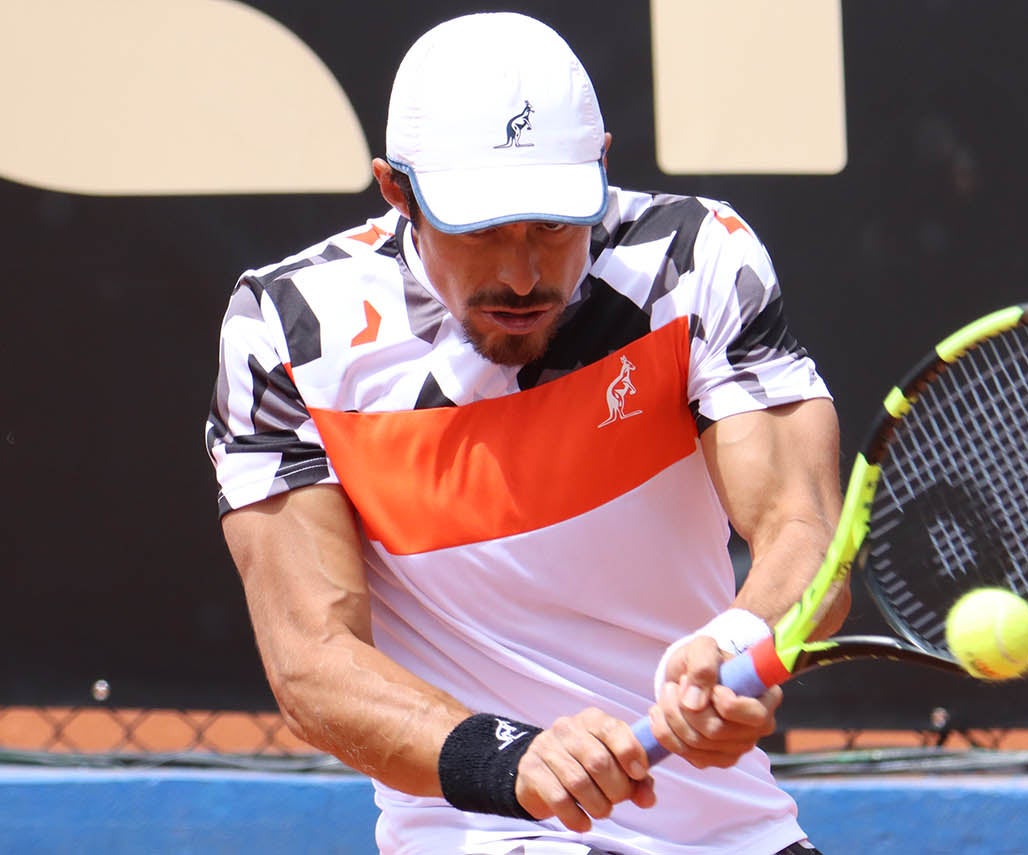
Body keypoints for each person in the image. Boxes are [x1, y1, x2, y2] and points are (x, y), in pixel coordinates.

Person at [206, 11, 846, 855]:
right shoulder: (290, 328)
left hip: (734, 834)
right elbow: (312, 662)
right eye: (481, 230)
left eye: (551, 222)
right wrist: (508, 757)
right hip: (479, 832)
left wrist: (741, 646)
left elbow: (804, 533)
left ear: (600, 166)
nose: (522, 273)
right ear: (397, 191)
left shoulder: (692, 260)